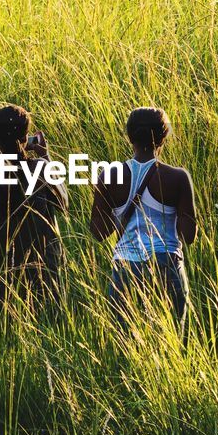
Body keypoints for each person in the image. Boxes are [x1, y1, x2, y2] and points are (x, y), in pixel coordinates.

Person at [90, 107, 197, 320]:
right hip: (166, 263)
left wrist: (119, 215)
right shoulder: (177, 177)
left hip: (125, 266)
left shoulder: (109, 175)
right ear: (163, 136)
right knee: (174, 339)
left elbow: (98, 232)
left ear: (130, 136)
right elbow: (188, 236)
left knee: (125, 342)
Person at [0, 104, 67, 311]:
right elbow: (63, 202)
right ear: (26, 138)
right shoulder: (41, 170)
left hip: (3, 263)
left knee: (5, 319)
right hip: (43, 264)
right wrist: (45, 156)